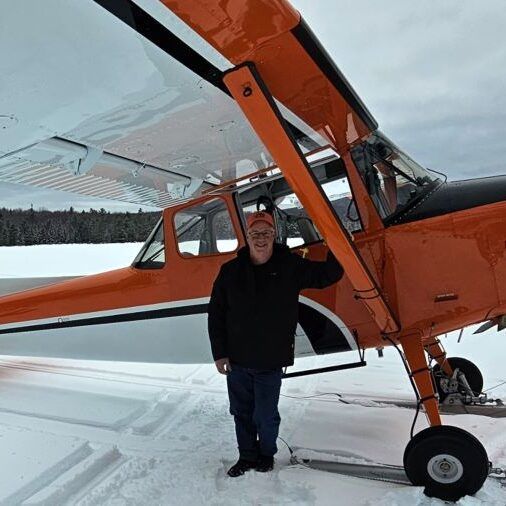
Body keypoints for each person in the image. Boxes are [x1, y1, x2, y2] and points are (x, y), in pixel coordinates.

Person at [208, 210, 344, 477]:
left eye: (266, 233)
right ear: (247, 237)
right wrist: (219, 353)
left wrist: (335, 241)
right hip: (236, 360)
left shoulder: (290, 265)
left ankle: (266, 455)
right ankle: (246, 456)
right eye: (255, 234)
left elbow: (327, 274)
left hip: (270, 359)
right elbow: (216, 314)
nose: (261, 239)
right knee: (241, 413)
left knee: (266, 415)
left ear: (274, 235)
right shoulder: (230, 271)